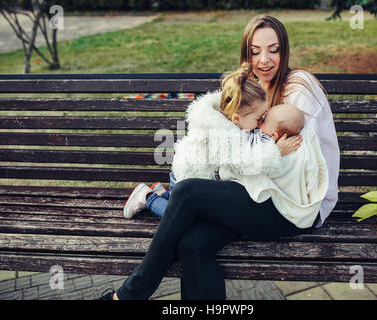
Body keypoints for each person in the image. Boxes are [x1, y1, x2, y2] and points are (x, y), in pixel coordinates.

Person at [100, 14, 339, 300]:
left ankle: (128, 295)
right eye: (255, 51)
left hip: (294, 204)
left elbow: (292, 163)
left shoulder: (297, 87)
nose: (264, 59)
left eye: (273, 50)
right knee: (191, 244)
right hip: (257, 191)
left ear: (284, 50)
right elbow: (234, 143)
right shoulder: (252, 86)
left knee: (188, 192)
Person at [122, 62, 299, 220]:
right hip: (186, 180)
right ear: (236, 119)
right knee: (189, 220)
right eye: (259, 118)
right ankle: (148, 198)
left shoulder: (231, 121)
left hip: (198, 179)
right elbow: (247, 163)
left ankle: (163, 194)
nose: (262, 122)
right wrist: (277, 151)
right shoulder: (221, 133)